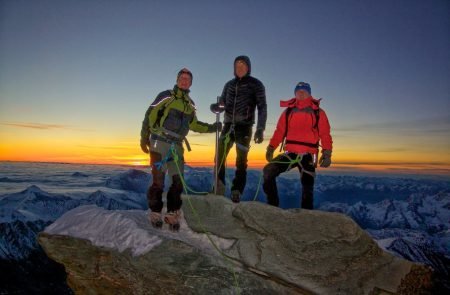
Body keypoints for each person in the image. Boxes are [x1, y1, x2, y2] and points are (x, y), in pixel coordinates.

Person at [140, 68, 220, 231]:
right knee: (158, 181)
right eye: (182, 78)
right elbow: (150, 115)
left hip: (177, 146)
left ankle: (171, 213)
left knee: (178, 182)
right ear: (177, 80)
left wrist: (213, 127)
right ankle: (155, 212)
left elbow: (195, 125)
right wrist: (144, 137)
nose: (184, 81)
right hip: (159, 142)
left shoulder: (190, 105)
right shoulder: (166, 96)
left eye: (187, 79)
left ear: (191, 83)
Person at [262, 82, 332, 209]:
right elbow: (280, 131)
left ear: (309, 94)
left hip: (308, 155)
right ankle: (272, 208)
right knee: (268, 170)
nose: (301, 93)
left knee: (307, 187)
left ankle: (306, 217)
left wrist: (327, 153)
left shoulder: (318, 112)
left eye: (304, 91)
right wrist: (271, 147)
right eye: (298, 91)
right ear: (295, 93)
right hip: (291, 153)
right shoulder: (288, 112)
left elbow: (325, 134)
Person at [210, 55, 267, 203]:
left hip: (245, 127)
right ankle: (219, 186)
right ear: (234, 69)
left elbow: (262, 107)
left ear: (248, 67)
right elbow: (223, 104)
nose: (240, 68)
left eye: (243, 65)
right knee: (219, 156)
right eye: (237, 65)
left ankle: (236, 190)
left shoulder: (256, 84)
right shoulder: (229, 85)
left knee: (241, 161)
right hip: (228, 125)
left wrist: (260, 129)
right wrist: (217, 107)